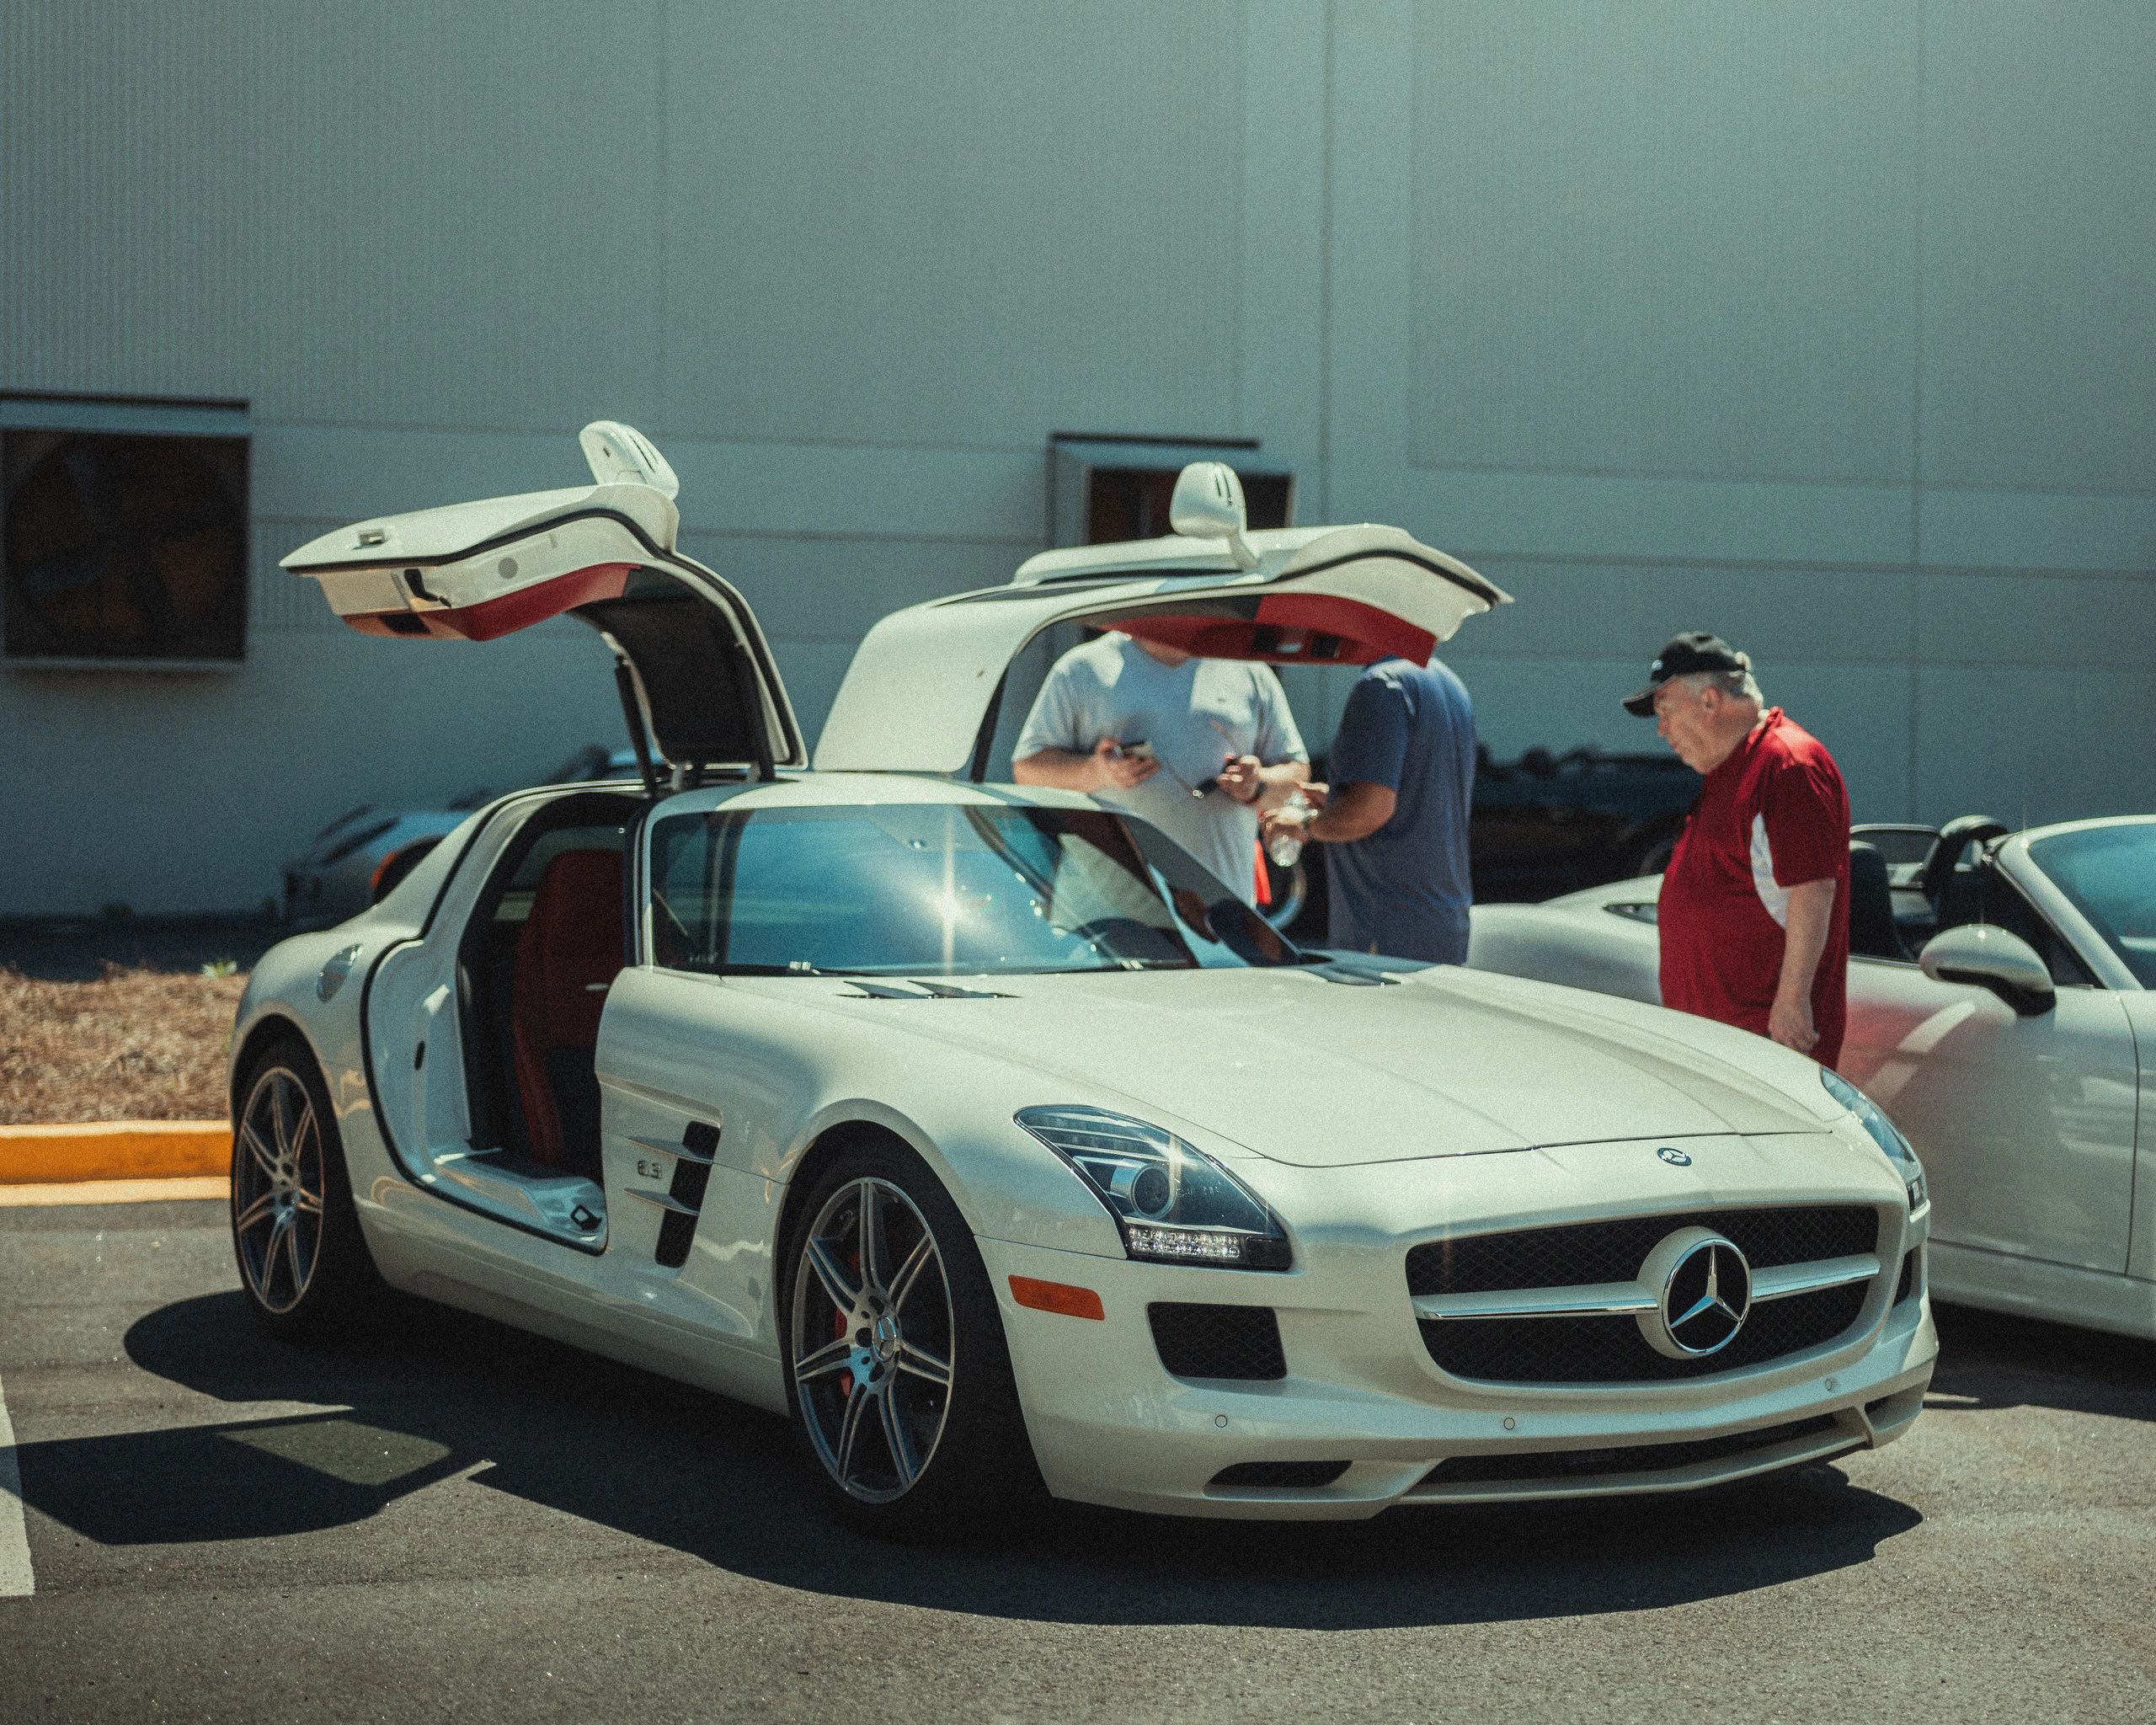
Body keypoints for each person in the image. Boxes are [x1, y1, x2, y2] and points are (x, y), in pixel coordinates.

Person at [1622, 631, 1851, 1065]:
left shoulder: (1788, 764)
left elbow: (1814, 888)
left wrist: (1791, 1003)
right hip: (1723, 1042)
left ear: (1709, 702)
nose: (1661, 730)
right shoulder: (1733, 769)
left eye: (1665, 712)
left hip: (1767, 1047)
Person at [1011, 631, 1308, 900]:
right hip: (1110, 910)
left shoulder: (1248, 669)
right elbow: (1027, 770)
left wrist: (1258, 784)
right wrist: (1097, 771)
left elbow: (1298, 775)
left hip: (1224, 910)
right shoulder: (1082, 668)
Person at [1262, 654, 1477, 964]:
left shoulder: (1381, 686)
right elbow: (1414, 797)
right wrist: (1336, 800)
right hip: (1443, 922)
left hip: (1384, 926)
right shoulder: (1448, 683)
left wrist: (1303, 824)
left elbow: (1370, 811)